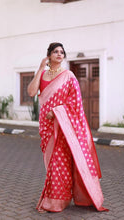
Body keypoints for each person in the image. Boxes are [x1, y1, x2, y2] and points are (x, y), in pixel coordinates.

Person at [27, 42, 108, 213]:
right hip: (46, 125)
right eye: (55, 52)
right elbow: (31, 92)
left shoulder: (68, 75)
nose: (59, 54)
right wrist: (40, 68)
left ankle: (56, 201)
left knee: (60, 162)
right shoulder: (42, 74)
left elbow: (75, 102)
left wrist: (56, 112)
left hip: (63, 125)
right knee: (50, 163)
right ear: (49, 55)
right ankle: (59, 198)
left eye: (62, 52)